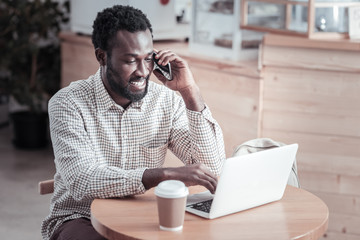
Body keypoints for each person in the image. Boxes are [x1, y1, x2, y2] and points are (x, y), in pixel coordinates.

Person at [41, 5, 225, 240]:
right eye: (130, 61)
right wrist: (164, 174)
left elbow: (212, 167)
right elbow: (82, 181)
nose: (143, 71)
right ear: (102, 56)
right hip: (81, 217)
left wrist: (189, 91)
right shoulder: (68, 103)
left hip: (145, 214)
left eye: (148, 59)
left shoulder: (166, 101)